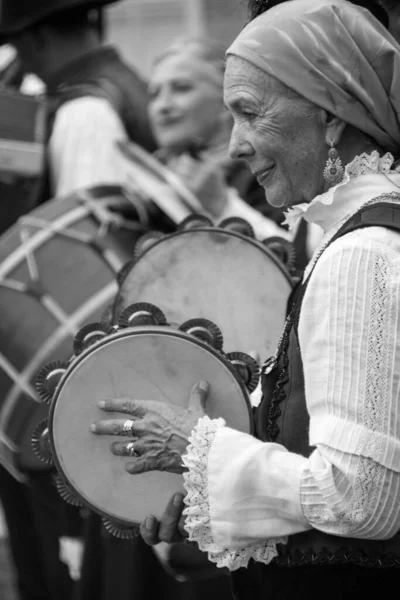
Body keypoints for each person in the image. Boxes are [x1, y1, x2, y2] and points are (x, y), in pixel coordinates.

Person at [91, 1, 400, 598]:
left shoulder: (362, 253)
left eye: (250, 114)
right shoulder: (360, 233)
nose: (234, 145)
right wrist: (214, 491)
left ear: (329, 114)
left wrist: (197, 445)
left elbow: (364, 499)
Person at [0, 1, 158, 598]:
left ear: (37, 40)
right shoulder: (104, 93)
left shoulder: (87, 111)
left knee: (66, 559)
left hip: (77, 382)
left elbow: (82, 265)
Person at [147, 36, 291, 242]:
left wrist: (222, 205)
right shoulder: (146, 180)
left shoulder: (265, 168)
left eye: (181, 88)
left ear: (227, 99)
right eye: (153, 94)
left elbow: (297, 260)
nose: (163, 105)